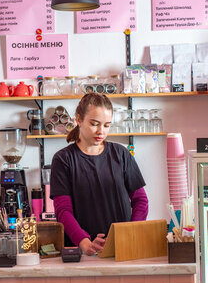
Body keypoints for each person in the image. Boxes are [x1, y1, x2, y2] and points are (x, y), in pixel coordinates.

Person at [50, 93, 149, 255]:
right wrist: (84, 241)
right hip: (83, 251)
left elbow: (140, 200)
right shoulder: (63, 159)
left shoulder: (121, 154)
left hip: (123, 248)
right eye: (95, 124)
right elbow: (63, 211)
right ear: (79, 119)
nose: (101, 131)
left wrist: (132, 232)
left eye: (106, 125)